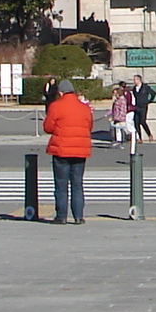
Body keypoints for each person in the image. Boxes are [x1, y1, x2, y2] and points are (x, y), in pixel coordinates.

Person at [43, 78, 91, 223]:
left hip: (61, 149)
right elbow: (89, 126)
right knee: (77, 184)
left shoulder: (56, 106)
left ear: (60, 92)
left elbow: (48, 127)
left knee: (61, 184)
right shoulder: (84, 108)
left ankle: (61, 216)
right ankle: (78, 216)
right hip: (80, 150)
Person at [108, 82, 133, 146]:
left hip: (120, 118)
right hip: (116, 117)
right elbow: (114, 109)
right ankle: (118, 140)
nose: (114, 95)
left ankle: (124, 139)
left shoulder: (122, 100)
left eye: (115, 93)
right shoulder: (117, 100)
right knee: (117, 129)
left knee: (122, 129)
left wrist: (119, 118)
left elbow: (122, 110)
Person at [132, 75, 155, 140]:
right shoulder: (134, 88)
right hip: (137, 107)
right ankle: (139, 138)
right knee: (136, 122)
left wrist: (149, 101)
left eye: (135, 80)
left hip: (143, 107)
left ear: (138, 80)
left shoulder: (145, 87)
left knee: (142, 121)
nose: (134, 81)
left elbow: (153, 93)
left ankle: (149, 134)